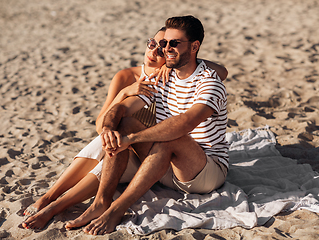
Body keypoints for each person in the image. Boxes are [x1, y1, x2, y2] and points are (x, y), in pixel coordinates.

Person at [22, 26, 228, 230]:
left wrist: (132, 139)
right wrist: (113, 128)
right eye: (159, 44)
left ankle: (116, 209)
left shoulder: (208, 81)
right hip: (163, 161)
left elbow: (185, 123)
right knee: (118, 131)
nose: (162, 50)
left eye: (172, 44)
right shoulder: (156, 79)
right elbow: (118, 111)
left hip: (202, 167)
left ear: (193, 47)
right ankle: (68, 205)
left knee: (166, 137)